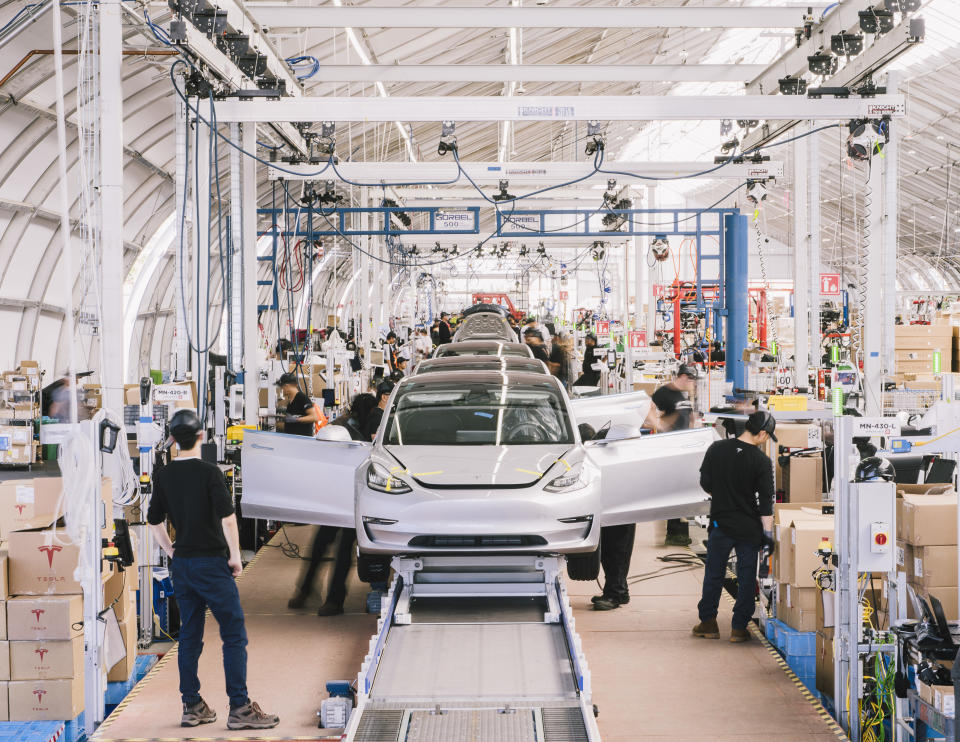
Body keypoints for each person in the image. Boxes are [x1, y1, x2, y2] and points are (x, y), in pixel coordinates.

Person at [147, 409, 279, 730]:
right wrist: (235, 556)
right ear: (202, 437)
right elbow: (228, 518)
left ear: (173, 439)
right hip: (211, 564)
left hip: (183, 567)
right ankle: (239, 707)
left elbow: (153, 521)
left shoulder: (162, 476)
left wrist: (171, 550)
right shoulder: (210, 473)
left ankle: (191, 706)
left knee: (189, 635)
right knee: (233, 633)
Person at [693, 410, 776, 643]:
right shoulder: (762, 461)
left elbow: (705, 482)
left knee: (714, 574)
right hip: (748, 529)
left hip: (721, 524)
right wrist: (768, 535)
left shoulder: (716, 449)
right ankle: (739, 628)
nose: (767, 440)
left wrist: (722, 495)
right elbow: (766, 503)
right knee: (747, 576)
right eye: (768, 436)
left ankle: (708, 622)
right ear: (761, 433)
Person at [288, 403, 373, 616]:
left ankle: (334, 600)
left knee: (343, 550)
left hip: (356, 503)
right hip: (335, 500)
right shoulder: (341, 428)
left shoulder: (367, 437)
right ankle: (307, 590)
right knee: (319, 546)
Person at [649, 364, 699, 547]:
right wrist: (659, 424)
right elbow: (648, 408)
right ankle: (672, 533)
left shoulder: (684, 395)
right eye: (692, 380)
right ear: (684, 377)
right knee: (673, 489)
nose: (693, 384)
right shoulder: (665, 392)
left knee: (681, 489)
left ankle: (676, 531)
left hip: (684, 447)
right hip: (671, 448)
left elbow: (688, 417)